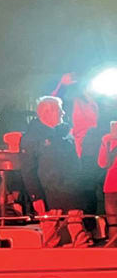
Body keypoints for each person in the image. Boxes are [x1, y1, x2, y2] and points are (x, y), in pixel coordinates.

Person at [20, 95, 88, 247]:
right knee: (51, 240)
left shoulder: (66, 134)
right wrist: (36, 197)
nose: (63, 113)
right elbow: (28, 171)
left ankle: (83, 265)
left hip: (72, 193)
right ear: (46, 112)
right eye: (60, 109)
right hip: (50, 196)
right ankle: (50, 266)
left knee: (80, 239)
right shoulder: (31, 138)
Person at [98, 120, 117, 244]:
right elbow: (102, 163)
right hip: (110, 187)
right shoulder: (109, 142)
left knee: (113, 222)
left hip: (111, 186)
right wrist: (104, 144)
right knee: (113, 223)